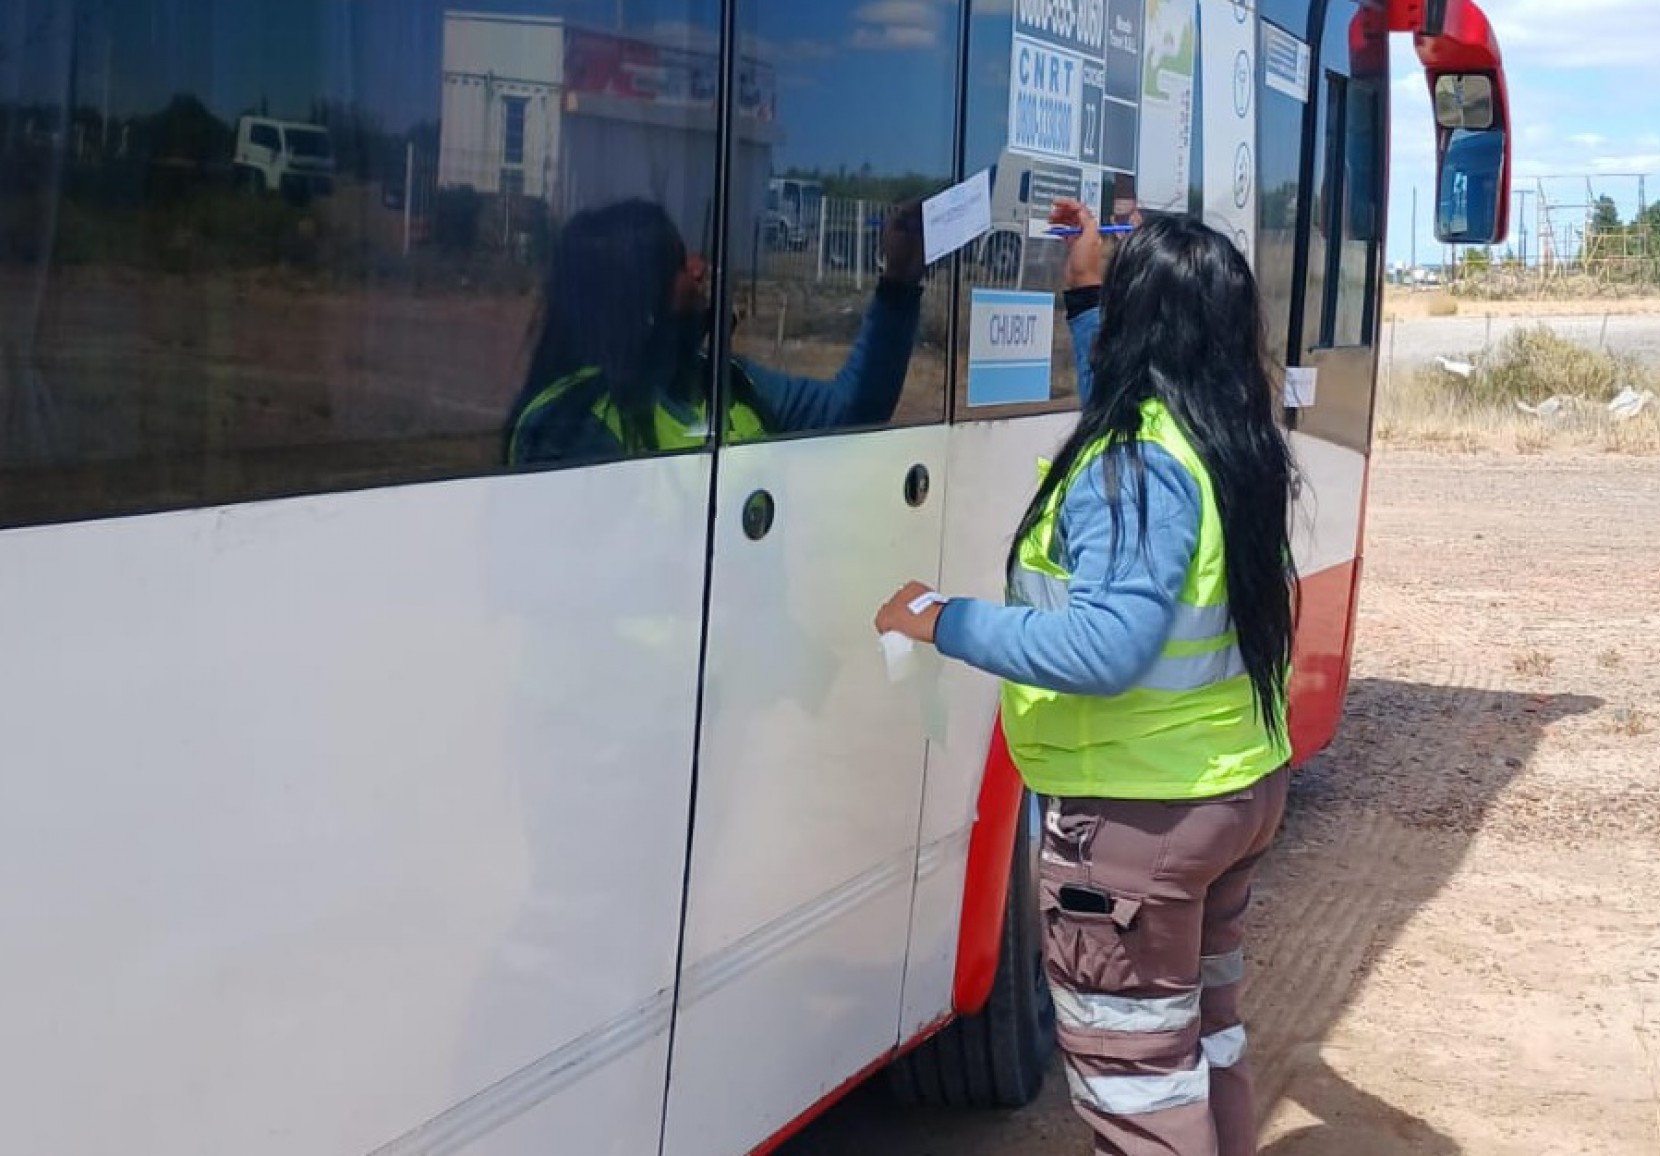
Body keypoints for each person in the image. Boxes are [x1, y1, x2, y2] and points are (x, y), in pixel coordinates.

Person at [874, 199, 1299, 1156]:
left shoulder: (1135, 465)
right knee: (1205, 1047)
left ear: (1141, 323)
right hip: (1232, 789)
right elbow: (1125, 396)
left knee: (1139, 1091)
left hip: (1141, 819)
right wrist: (1086, 290)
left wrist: (943, 620)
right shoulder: (1226, 435)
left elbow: (1105, 649)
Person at [504, 197, 926, 465]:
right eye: (677, 263)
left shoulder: (728, 382)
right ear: (636, 299)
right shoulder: (567, 427)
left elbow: (853, 409)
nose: (699, 267)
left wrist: (899, 280)